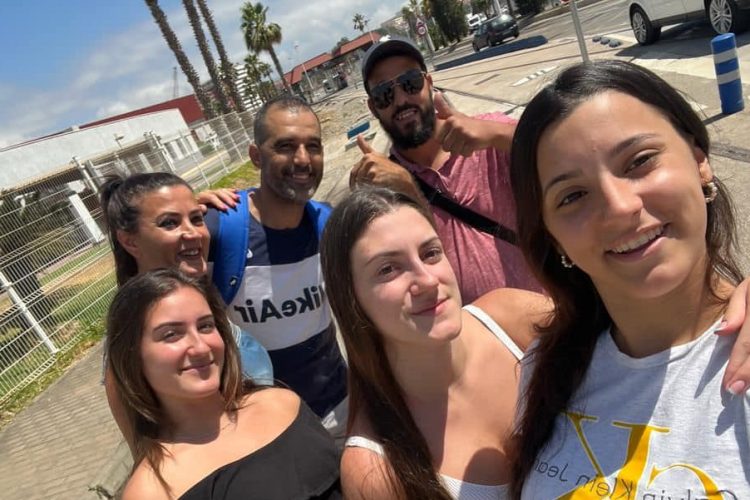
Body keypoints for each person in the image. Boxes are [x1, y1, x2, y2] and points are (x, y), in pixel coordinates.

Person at [508, 60, 750, 497]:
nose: (619, 207)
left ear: (699, 160)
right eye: (573, 196)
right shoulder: (545, 367)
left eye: (639, 161)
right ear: (553, 237)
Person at [320, 186, 550, 499]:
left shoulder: (516, 319)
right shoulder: (375, 471)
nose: (428, 281)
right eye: (388, 269)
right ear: (351, 301)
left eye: (430, 253)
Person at [107, 269, 341, 500]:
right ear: (132, 357)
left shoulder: (282, 402)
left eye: (206, 326)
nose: (201, 347)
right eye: (171, 334)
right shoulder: (152, 490)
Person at [199, 95, 348, 440]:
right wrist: (183, 214)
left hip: (340, 409)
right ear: (256, 156)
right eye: (285, 146)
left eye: (313, 146)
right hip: (264, 431)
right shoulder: (218, 229)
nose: (303, 159)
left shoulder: (329, 223)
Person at [351, 35, 541, 303]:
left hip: (556, 312)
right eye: (384, 94)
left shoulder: (490, 134)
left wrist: (495, 133)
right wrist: (407, 189)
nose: (401, 100)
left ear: (429, 83)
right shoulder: (385, 187)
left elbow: (566, 152)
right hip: (476, 329)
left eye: (410, 82)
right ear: (373, 107)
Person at [99, 172, 273, 450]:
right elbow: (147, 451)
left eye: (196, 219)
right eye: (169, 223)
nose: (193, 233)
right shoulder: (130, 338)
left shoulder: (204, 300)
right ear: (130, 241)